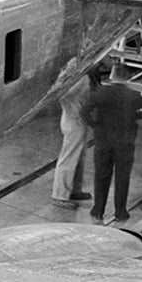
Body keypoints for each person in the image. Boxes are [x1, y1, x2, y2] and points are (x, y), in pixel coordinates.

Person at [82, 61, 142, 225]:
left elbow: (84, 111)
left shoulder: (100, 92)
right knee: (122, 177)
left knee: (101, 175)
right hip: (124, 141)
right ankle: (120, 212)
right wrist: (134, 116)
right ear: (127, 78)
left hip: (103, 140)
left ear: (112, 76)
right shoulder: (133, 95)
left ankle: (98, 210)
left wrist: (95, 125)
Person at [50, 67, 99, 206]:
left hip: (76, 119)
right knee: (69, 158)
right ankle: (59, 195)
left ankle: (74, 190)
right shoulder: (80, 77)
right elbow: (61, 93)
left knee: (78, 157)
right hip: (74, 120)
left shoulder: (75, 73)